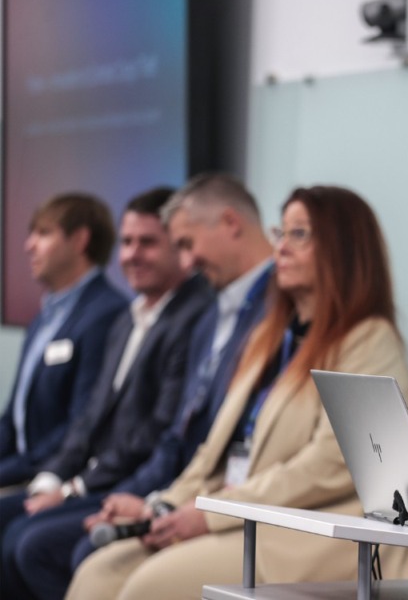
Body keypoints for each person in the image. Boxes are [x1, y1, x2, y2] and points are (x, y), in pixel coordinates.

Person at [67, 185, 408, 599]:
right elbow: (214, 452)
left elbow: (331, 464)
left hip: (303, 534)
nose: (281, 248)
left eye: (299, 235)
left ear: (343, 247)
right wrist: (161, 505)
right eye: (280, 233)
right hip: (241, 516)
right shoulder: (269, 338)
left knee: (146, 587)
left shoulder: (369, 340)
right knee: (98, 572)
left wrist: (211, 515)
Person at [0, 187, 213, 599]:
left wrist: (72, 489)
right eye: (127, 242)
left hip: (133, 485)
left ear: (181, 248)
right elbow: (89, 419)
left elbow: (156, 432)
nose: (131, 254)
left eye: (147, 242)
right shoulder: (128, 319)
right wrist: (53, 480)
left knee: (29, 544)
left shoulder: (190, 319)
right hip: (92, 478)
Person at [63, 173, 274, 577]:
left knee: (74, 554)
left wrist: (162, 504)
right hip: (185, 493)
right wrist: (154, 501)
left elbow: (247, 447)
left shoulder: (277, 313)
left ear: (230, 223)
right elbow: (182, 435)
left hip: (231, 506)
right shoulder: (211, 317)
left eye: (187, 244)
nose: (188, 262)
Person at [0, 193, 128, 489]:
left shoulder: (107, 314)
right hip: (22, 467)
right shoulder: (44, 317)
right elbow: (12, 415)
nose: (29, 245)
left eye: (43, 233)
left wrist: (11, 470)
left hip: (56, 474)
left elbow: (81, 421)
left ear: (80, 239)